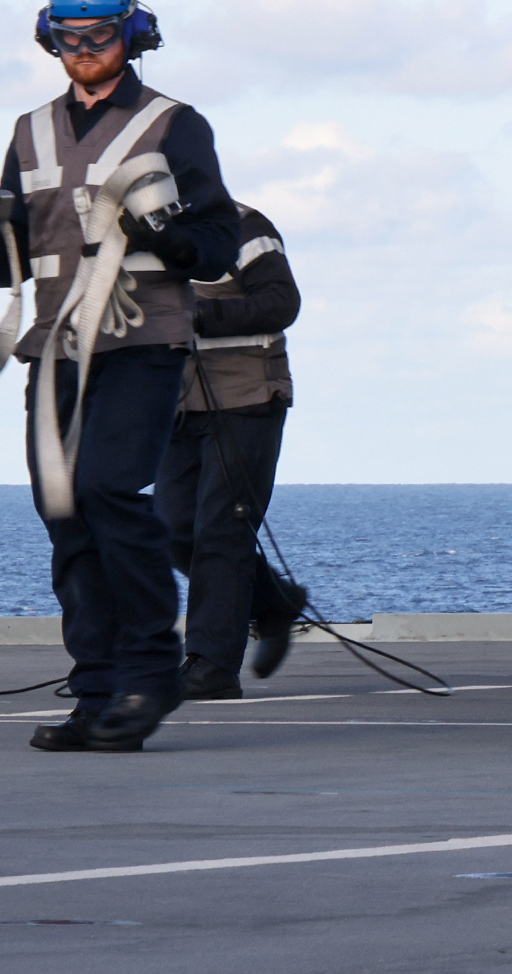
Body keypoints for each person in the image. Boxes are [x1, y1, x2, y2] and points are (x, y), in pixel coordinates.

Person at [0, 0, 243, 754]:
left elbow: (216, 247)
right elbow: (8, 261)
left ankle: (150, 674)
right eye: (69, 38)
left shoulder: (175, 126)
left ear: (133, 35)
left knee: (109, 491)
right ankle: (95, 692)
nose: (83, 50)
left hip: (141, 340)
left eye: (100, 36)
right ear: (49, 37)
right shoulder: (30, 131)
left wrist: (167, 238)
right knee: (65, 511)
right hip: (53, 347)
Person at [156, 201, 308, 702]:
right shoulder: (135, 233)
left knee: (222, 529)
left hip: (248, 399)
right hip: (180, 407)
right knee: (171, 526)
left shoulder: (247, 227)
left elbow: (280, 304)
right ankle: (274, 601)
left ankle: (211, 664)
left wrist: (196, 315)